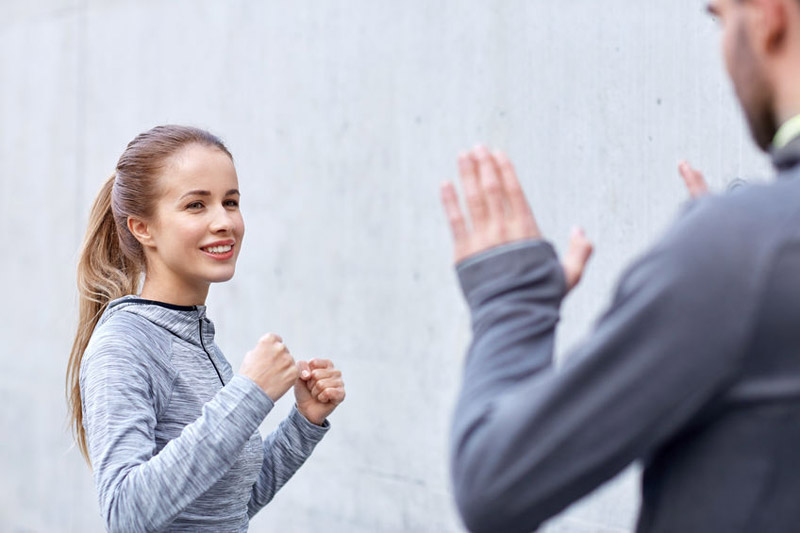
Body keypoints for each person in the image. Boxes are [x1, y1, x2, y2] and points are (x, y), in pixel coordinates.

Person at [441, 0, 800, 531]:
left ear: (771, 15)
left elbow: (494, 482)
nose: (725, 50)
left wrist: (511, 300)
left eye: (721, 18)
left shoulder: (741, 254)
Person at [66, 125, 345, 531]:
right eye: (196, 205)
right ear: (142, 228)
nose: (224, 221)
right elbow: (125, 513)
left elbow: (228, 505)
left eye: (230, 202)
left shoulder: (195, 338)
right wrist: (249, 394)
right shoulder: (123, 346)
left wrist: (304, 421)